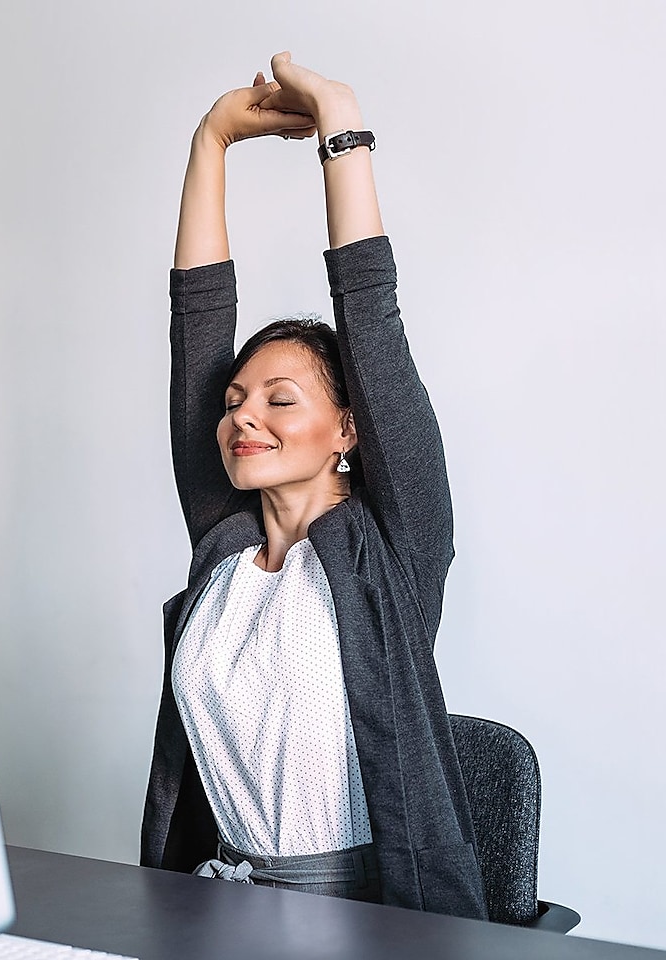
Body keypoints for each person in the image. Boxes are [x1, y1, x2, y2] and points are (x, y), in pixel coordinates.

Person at [140, 52, 488, 919]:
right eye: (233, 404)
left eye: (280, 400)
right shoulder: (222, 544)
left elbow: (371, 316)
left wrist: (338, 118)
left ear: (348, 430)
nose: (242, 418)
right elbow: (197, 326)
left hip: (370, 918)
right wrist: (210, 142)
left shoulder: (390, 550)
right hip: (217, 909)